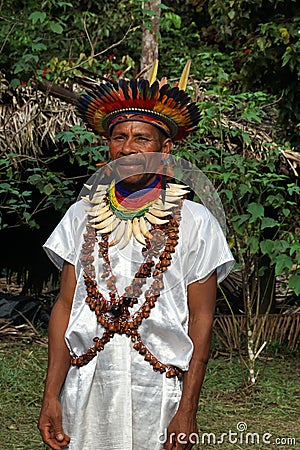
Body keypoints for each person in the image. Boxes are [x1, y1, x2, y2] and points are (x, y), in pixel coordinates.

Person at [38, 61, 234, 450]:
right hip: (85, 386)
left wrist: (188, 409)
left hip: (159, 394)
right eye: (119, 137)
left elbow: (202, 318)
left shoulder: (195, 221)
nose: (128, 148)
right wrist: (50, 396)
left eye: (142, 138)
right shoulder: (81, 215)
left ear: (165, 148)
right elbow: (64, 306)